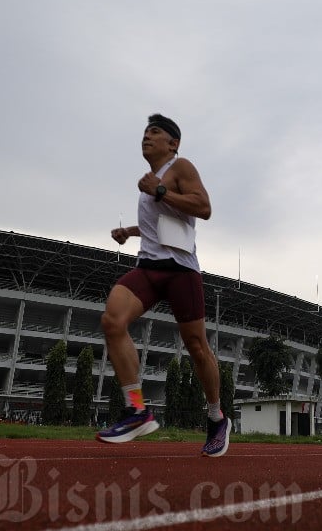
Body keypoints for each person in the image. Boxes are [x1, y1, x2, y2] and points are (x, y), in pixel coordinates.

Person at [95, 114, 230, 457]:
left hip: (181, 270)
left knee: (197, 347)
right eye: (144, 132)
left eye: (154, 132)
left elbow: (204, 207)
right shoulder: (151, 180)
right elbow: (165, 222)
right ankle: (137, 409)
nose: (146, 136)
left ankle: (216, 417)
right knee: (113, 321)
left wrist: (159, 190)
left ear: (173, 143)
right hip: (149, 267)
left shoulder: (180, 166)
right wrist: (130, 232)